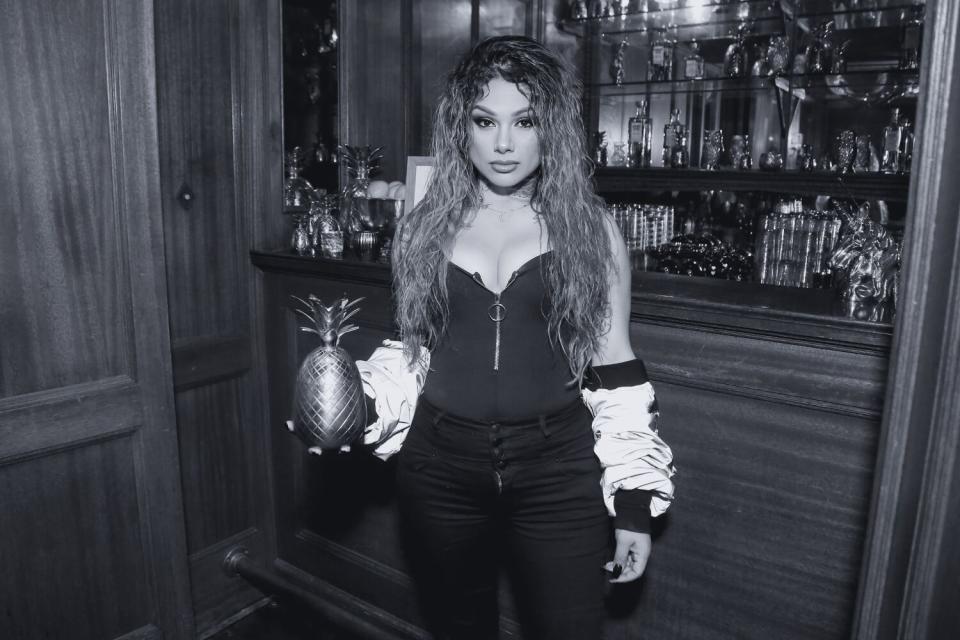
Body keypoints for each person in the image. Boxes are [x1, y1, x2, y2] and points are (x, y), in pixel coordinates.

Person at [356, 35, 675, 640]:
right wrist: (349, 409)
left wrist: (632, 504)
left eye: (523, 121)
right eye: (485, 121)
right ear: (462, 128)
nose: (503, 143)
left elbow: (614, 364)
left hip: (558, 472)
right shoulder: (422, 228)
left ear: (549, 127)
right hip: (439, 470)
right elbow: (412, 352)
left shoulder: (592, 230)